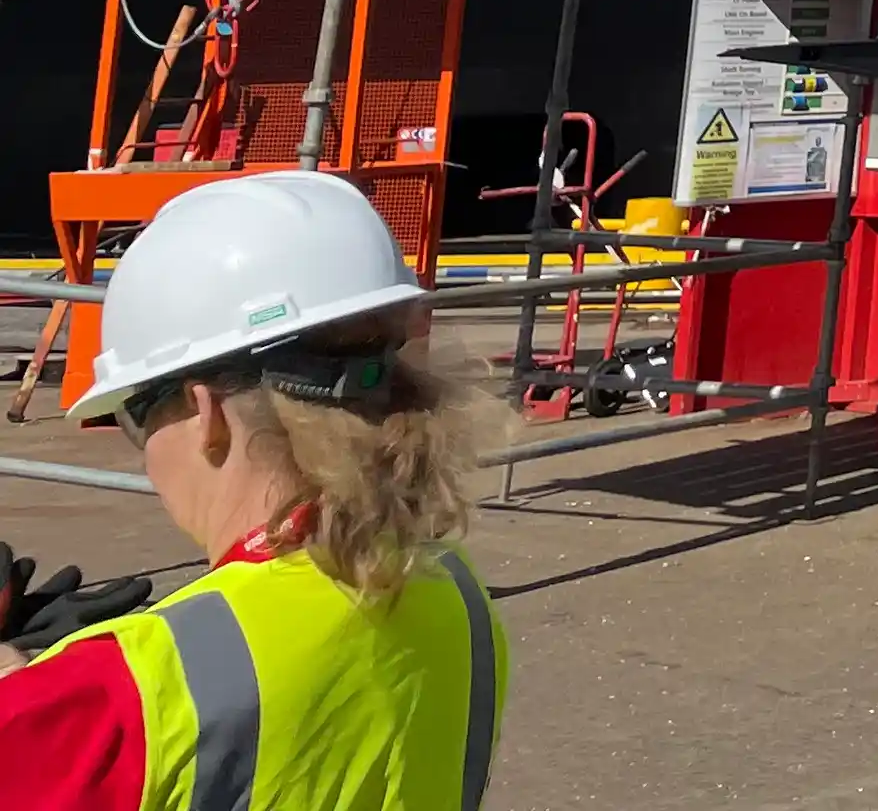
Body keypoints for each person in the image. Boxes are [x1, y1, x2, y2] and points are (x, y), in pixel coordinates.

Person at [0, 172, 507, 808]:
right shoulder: (452, 586)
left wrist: (36, 703)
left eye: (135, 416)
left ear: (205, 413)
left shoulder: (130, 688)